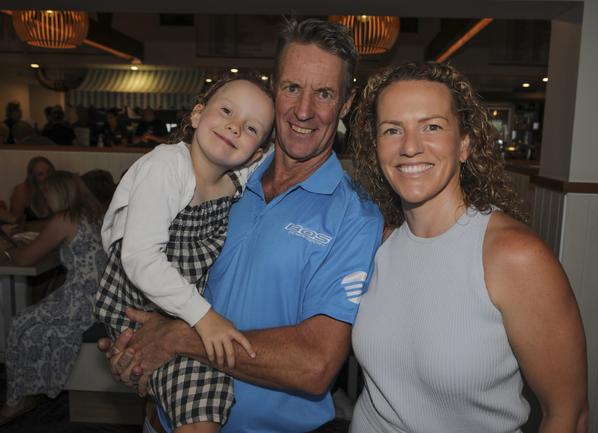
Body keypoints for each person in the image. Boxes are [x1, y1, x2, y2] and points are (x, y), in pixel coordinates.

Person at [99, 18, 383, 433]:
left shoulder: (355, 216)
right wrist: (133, 346)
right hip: (163, 419)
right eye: (291, 88)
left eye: (323, 93)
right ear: (274, 87)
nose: (304, 111)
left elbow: (314, 364)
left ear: (346, 103)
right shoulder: (218, 173)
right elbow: (147, 268)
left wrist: (176, 338)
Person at [348, 62, 589, 433]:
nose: (410, 147)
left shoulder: (514, 256)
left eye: (432, 126)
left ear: (464, 144)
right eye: (392, 130)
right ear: (376, 148)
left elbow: (568, 415)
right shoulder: (376, 244)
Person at [95, 74, 275, 433]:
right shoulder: (167, 166)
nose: (234, 126)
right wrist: (203, 316)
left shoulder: (237, 179)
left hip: (177, 305)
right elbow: (140, 257)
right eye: (226, 110)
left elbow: (280, 151)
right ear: (196, 115)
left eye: (251, 127)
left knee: (201, 392)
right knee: (202, 393)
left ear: (255, 152)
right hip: (137, 299)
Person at [0, 171, 106, 425]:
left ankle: (16, 400)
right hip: (100, 296)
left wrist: (6, 245)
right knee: (30, 321)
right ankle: (30, 388)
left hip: (81, 300)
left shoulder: (64, 219)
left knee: (20, 324)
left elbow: (25, 259)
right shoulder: (93, 214)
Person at [9, 156, 55, 222]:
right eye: (40, 174)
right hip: (27, 231)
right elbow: (15, 222)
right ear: (33, 178)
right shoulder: (21, 190)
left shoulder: (59, 188)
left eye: (49, 172)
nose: (47, 177)